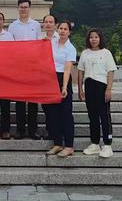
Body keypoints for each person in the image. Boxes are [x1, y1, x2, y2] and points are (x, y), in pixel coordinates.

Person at [78, 28, 117, 158]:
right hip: (89, 85)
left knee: (104, 116)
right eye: (91, 37)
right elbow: (80, 71)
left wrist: (109, 89)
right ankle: (94, 143)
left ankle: (107, 144)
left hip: (102, 86)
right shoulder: (85, 53)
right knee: (92, 116)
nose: (93, 39)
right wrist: (80, 89)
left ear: (100, 38)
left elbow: (111, 71)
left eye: (96, 37)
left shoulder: (106, 53)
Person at [8, 0, 42, 140]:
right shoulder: (12, 26)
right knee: (20, 100)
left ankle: (33, 130)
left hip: (33, 66)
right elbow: (10, 47)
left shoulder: (36, 25)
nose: (24, 9)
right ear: (18, 8)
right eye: (21, 7)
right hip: (18, 66)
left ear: (29, 8)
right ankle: (20, 130)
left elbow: (40, 45)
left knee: (33, 100)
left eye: (26, 7)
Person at [45, 20, 77, 158]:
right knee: (52, 114)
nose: (63, 31)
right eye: (61, 28)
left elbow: (67, 68)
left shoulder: (71, 48)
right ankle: (57, 143)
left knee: (65, 114)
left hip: (63, 80)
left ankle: (69, 146)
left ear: (69, 32)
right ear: (57, 30)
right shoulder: (51, 43)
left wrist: (64, 87)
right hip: (50, 79)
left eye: (65, 29)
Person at [42, 14, 59, 140]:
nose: (48, 24)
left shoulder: (60, 38)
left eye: (51, 22)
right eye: (46, 21)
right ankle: (50, 130)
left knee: (58, 106)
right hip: (43, 76)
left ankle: (58, 131)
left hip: (57, 75)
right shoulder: (38, 39)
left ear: (55, 25)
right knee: (46, 106)